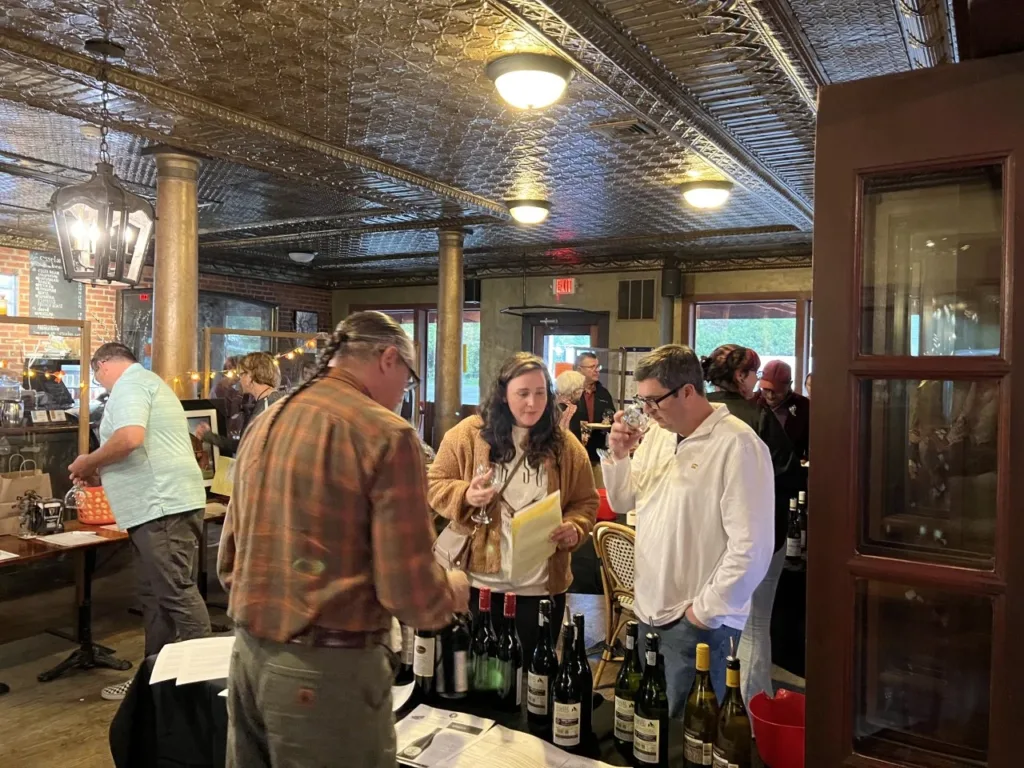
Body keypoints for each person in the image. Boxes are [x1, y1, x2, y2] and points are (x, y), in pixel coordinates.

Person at [218, 311, 469, 768]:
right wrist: (449, 592)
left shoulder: (267, 421)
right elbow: (407, 590)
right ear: (388, 358)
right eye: (408, 382)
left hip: (247, 660)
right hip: (325, 678)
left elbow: (229, 555)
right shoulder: (387, 434)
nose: (403, 397)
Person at [601, 344, 774, 714]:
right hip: (649, 606)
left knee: (691, 735)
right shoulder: (660, 436)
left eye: (654, 401)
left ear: (688, 391)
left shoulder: (738, 445)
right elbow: (623, 501)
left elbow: (753, 548)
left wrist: (704, 611)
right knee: (649, 723)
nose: (645, 411)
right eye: (641, 400)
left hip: (697, 620)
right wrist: (618, 455)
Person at [428, 352, 598, 661]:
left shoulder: (564, 445)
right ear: (504, 394)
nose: (532, 403)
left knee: (533, 677)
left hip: (541, 588)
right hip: (480, 587)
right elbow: (434, 482)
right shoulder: (469, 435)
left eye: (540, 393)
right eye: (522, 394)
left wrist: (575, 527)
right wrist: (466, 494)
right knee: (480, 677)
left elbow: (585, 501)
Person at [68, 343, 210, 702]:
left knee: (175, 593)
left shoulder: (130, 384)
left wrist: (89, 462)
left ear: (102, 364)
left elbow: (130, 438)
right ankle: (154, 683)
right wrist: (103, 468)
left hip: (160, 505)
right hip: (157, 504)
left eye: (95, 372)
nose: (97, 380)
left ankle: (206, 686)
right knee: (155, 596)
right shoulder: (147, 382)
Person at [702, 345, 799, 707]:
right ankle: (752, 710)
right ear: (740, 377)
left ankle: (712, 702)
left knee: (711, 618)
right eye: (753, 375)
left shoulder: (697, 412)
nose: (757, 383)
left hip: (709, 531)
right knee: (756, 623)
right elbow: (787, 473)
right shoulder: (756, 417)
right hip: (758, 531)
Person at [195, 351, 285, 456]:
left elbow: (245, 448)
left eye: (241, 374)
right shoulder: (273, 400)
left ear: (250, 376)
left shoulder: (267, 406)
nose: (239, 379)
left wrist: (209, 436)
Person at [569, 352, 617, 485]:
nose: (596, 370)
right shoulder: (570, 393)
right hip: (573, 455)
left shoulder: (603, 393)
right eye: (592, 367)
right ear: (580, 369)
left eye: (598, 366)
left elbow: (612, 418)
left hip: (596, 455)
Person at [757, 360, 811, 463]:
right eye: (766, 389)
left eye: (777, 391)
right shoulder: (752, 403)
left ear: (790, 384)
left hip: (790, 473)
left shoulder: (804, 407)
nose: (770, 396)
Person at [554, 369, 586, 433]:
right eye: (582, 387)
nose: (583, 390)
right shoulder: (572, 410)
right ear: (575, 391)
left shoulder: (552, 406)